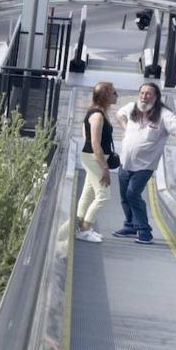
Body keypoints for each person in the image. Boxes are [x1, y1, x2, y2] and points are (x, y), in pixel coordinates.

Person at [112, 82, 176, 245]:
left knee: (132, 194)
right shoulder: (132, 108)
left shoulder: (164, 115)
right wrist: (125, 127)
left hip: (144, 166)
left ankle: (145, 231)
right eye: (142, 93)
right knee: (124, 196)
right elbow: (119, 114)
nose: (144, 96)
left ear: (156, 97)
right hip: (125, 163)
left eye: (148, 94)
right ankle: (130, 225)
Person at [76, 82, 118, 243]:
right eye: (114, 93)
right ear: (106, 95)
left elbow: (84, 132)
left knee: (88, 192)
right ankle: (85, 229)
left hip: (96, 158)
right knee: (103, 196)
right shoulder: (97, 115)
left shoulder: (100, 112)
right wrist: (104, 168)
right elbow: (94, 143)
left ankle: (79, 225)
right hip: (94, 158)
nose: (117, 95)